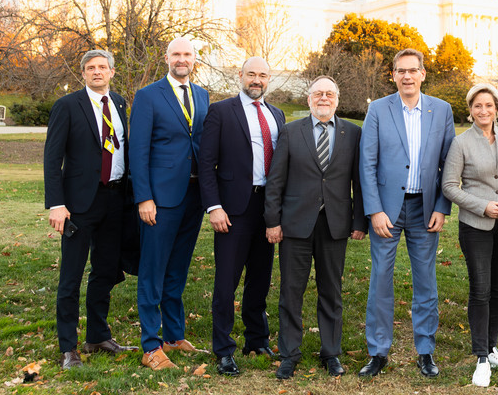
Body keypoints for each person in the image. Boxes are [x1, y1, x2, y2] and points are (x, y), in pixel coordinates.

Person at [357, 48, 455, 378]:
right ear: (394, 75)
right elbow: (366, 164)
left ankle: (425, 350)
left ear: (423, 74)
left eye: (413, 70)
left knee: (425, 281)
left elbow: (449, 166)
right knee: (381, 278)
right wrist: (374, 211)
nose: (407, 76)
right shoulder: (379, 110)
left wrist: (442, 207)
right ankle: (378, 351)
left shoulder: (441, 110)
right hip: (387, 210)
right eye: (401, 71)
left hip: (425, 209)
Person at [264, 75, 366, 379]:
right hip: (295, 225)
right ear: (309, 99)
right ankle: (289, 353)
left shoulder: (352, 133)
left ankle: (331, 352)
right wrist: (273, 221)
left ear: (337, 98)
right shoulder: (291, 132)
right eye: (318, 93)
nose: (324, 98)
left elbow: (358, 183)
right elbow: (276, 180)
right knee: (291, 292)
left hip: (335, 224)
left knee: (331, 291)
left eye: (329, 93)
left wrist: (359, 221)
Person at [44, 49, 137, 369]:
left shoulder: (121, 104)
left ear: (112, 72)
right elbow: (51, 158)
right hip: (78, 205)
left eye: (102, 67)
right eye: (90, 68)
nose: (97, 72)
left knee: (106, 271)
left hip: (114, 201)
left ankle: (97, 335)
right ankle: (68, 347)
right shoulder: (67, 106)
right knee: (71, 275)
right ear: (82, 73)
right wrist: (56, 205)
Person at [198, 56, 285, 376]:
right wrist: (213, 206)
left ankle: (256, 338)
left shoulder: (277, 114)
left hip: (268, 209)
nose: (257, 80)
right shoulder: (221, 112)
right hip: (233, 209)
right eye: (251, 74)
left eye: (263, 75)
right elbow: (206, 164)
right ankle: (223, 349)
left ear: (269, 78)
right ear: (241, 76)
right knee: (226, 282)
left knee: (260, 279)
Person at [130, 37, 209, 370]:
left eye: (187, 55)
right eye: (176, 54)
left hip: (193, 196)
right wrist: (144, 197)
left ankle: (175, 336)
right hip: (160, 200)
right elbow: (138, 150)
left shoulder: (202, 95)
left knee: (177, 270)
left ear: (194, 60)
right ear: (167, 58)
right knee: (153, 272)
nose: (182, 59)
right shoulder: (148, 96)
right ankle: (150, 345)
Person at [441, 83, 498, 388]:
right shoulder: (460, 143)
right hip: (475, 225)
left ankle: (492, 346)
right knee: (481, 289)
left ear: (497, 109)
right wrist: (483, 206)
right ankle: (480, 358)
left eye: (488, 105)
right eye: (477, 106)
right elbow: (450, 186)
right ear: (471, 110)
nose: (483, 111)